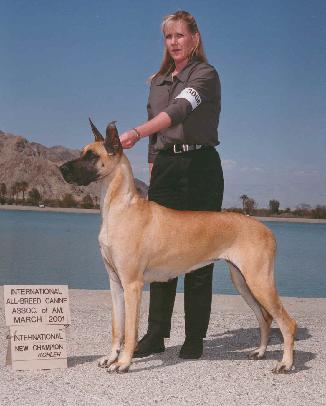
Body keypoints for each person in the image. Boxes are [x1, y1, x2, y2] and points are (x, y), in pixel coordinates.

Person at [119, 10, 224, 359]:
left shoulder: (205, 75)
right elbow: (157, 127)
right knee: (159, 254)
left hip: (200, 166)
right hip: (165, 167)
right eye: (169, 37)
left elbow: (178, 111)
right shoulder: (158, 81)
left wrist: (134, 132)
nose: (175, 42)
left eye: (181, 35)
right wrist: (152, 164)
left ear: (194, 38)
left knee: (200, 255)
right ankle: (155, 334)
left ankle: (194, 338)